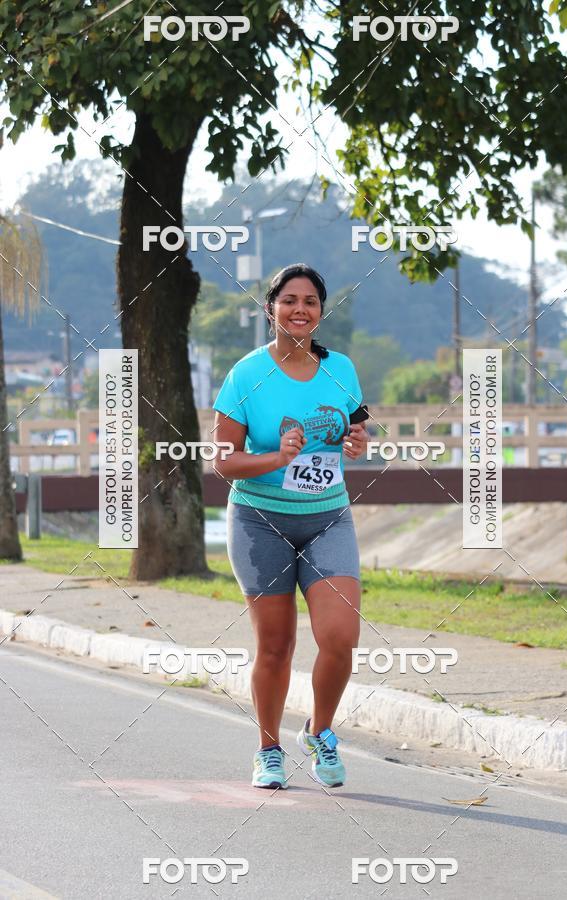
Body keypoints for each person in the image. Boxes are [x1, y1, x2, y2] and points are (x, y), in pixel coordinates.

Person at [211, 263, 369, 790]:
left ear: (321, 313)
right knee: (276, 646)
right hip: (260, 521)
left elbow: (357, 423)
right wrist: (276, 457)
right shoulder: (245, 375)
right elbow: (224, 462)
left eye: (310, 302)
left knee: (340, 636)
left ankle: (320, 731)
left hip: (328, 517)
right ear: (271, 308)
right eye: (289, 300)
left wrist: (357, 442)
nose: (300, 309)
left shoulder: (340, 368)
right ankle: (268, 749)